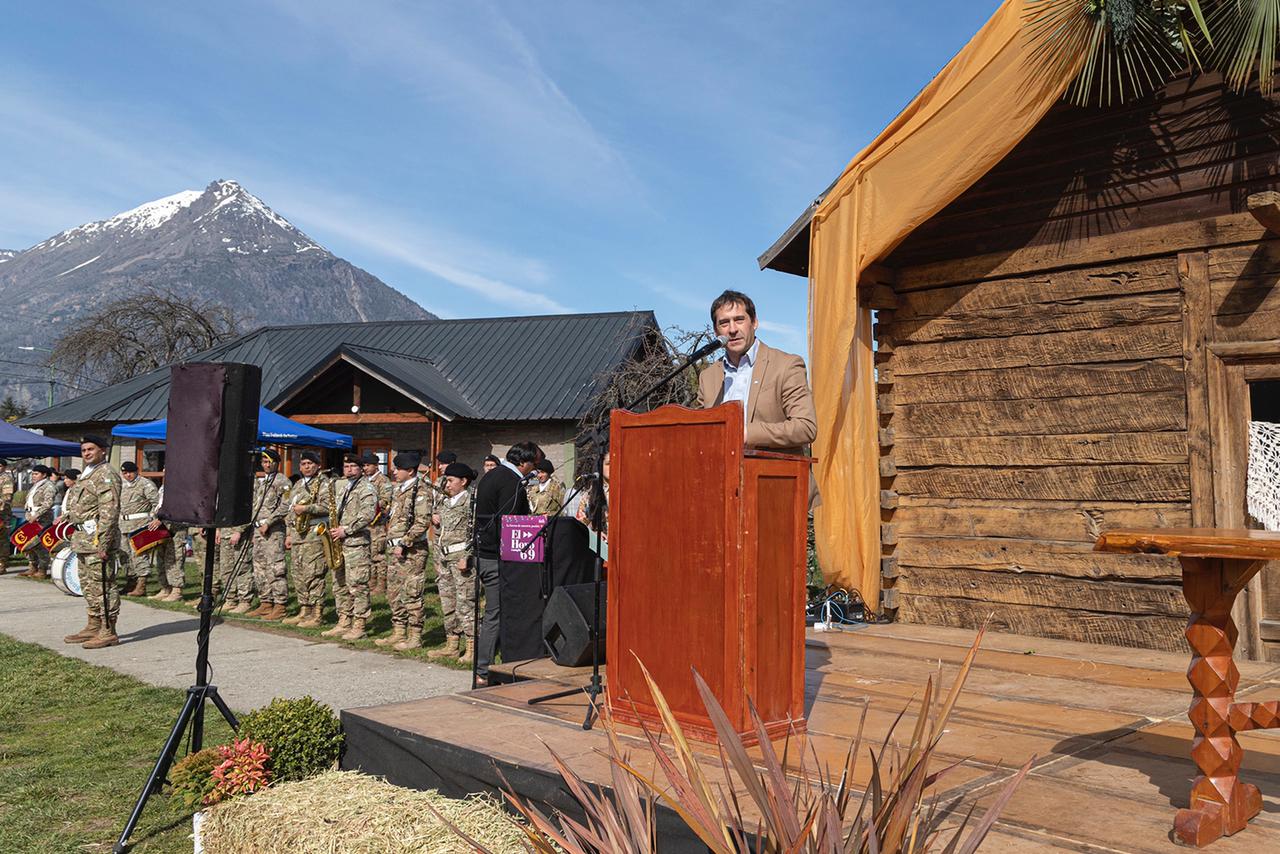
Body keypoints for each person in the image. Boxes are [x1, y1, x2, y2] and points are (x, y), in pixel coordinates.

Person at [697, 290, 817, 454]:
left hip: (776, 476)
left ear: (754, 322)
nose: (732, 329)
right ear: (716, 332)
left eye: (739, 320)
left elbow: (806, 427)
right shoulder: (707, 377)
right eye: (724, 323)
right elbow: (697, 430)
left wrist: (747, 434)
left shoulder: (786, 365)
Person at [474, 441, 540, 684]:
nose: (534, 469)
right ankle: (483, 670)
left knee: (495, 611)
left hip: (486, 553)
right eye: (534, 464)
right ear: (523, 462)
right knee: (495, 612)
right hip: (496, 557)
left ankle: (490, 663)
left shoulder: (494, 475)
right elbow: (510, 522)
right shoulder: (510, 481)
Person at [62, 435, 123, 649]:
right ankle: (93, 624)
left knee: (103, 585)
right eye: (84, 450)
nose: (86, 453)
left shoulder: (106, 474)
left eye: (91, 449)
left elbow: (109, 511)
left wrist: (104, 544)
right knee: (88, 585)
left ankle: (108, 630)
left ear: (103, 451)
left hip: (97, 541)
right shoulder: (88, 474)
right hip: (83, 540)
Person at [376, 452, 432, 650]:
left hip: (412, 550)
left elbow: (423, 521)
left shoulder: (421, 490)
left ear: (410, 471)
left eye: (398, 468)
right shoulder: (399, 489)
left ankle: (415, 636)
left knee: (412, 592)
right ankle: (399, 631)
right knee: (394, 592)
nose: (394, 471)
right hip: (394, 549)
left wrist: (404, 542)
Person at [323, 453, 377, 640]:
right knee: (339, 584)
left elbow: (368, 514)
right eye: (346, 467)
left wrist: (347, 530)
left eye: (353, 466)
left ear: (361, 469)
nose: (349, 470)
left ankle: (359, 625)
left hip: (356, 543)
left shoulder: (366, 488)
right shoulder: (343, 487)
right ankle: (344, 620)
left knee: (357, 585)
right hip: (339, 542)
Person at [429, 462, 475, 663]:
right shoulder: (447, 502)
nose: (447, 484)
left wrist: (468, 556)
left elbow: (474, 531)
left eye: (451, 480)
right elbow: (441, 533)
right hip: (445, 559)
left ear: (463, 481)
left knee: (465, 602)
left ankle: (473, 647)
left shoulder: (471, 501)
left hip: (461, 560)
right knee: (448, 602)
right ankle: (452, 644)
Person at [283, 451, 332, 628]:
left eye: (311, 463)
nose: (307, 467)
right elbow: (290, 510)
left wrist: (306, 509)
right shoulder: (297, 484)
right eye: (303, 464)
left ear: (318, 465)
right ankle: (304, 609)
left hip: (314, 535)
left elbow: (328, 507)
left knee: (314, 573)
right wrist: (289, 533)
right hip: (297, 535)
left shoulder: (324, 483)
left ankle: (317, 614)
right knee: (298, 573)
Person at [247, 450, 290, 620]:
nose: (265, 464)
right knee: (259, 567)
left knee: (275, 567)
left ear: (276, 463)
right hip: (258, 531)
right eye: (263, 461)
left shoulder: (283, 482)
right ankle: (266, 602)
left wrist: (269, 522)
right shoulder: (263, 482)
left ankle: (280, 605)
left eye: (269, 461)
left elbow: (285, 505)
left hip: (273, 531)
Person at [117, 461, 159, 597]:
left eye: (130, 472)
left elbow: (156, 504)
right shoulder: (121, 485)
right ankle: (130, 582)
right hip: (123, 525)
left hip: (140, 524)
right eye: (124, 473)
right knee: (125, 555)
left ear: (136, 471)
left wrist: (154, 519)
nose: (127, 475)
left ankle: (141, 585)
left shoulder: (145, 484)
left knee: (139, 554)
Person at [146, 468, 187, 602]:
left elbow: (178, 507)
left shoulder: (180, 488)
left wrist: (161, 519)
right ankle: (165, 588)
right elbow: (159, 505)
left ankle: (176, 590)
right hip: (162, 528)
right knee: (161, 558)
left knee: (174, 558)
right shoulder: (163, 488)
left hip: (175, 528)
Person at [361, 451, 393, 596]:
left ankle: (381, 584)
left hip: (377, 524)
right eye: (363, 465)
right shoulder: (363, 480)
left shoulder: (383, 480)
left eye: (368, 465)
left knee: (378, 555)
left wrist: (370, 505)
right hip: (364, 523)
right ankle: (371, 582)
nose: (365, 468)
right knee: (368, 554)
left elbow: (386, 500)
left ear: (376, 465)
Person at [18, 465, 57, 579]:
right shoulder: (36, 486)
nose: (33, 476)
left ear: (44, 475)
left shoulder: (48, 486)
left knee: (40, 544)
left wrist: (36, 515)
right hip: (30, 518)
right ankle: (32, 566)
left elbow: (48, 504)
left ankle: (42, 569)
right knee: (29, 543)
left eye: (36, 474)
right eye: (33, 474)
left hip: (42, 519)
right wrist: (29, 515)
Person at [0, 460, 14, 574]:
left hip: (2, 514)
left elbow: (7, 497)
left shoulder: (6, 479)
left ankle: (2, 564)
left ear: (4, 467)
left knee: (2, 539)